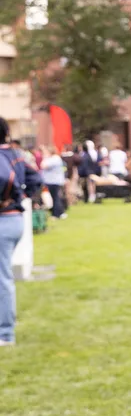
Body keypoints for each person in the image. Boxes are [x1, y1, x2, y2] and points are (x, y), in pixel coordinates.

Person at [0, 118, 42, 346]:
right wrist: (22, 196)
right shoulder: (16, 154)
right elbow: (36, 178)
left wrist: (7, 197)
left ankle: (5, 333)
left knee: (2, 277)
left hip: (4, 219)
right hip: (14, 219)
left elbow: (4, 178)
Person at [40, 146, 67, 219]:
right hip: (51, 181)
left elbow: (43, 165)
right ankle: (60, 212)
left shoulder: (54, 158)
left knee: (55, 198)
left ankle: (56, 214)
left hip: (54, 181)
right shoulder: (54, 158)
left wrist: (45, 158)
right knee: (55, 197)